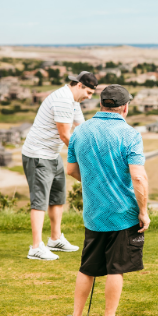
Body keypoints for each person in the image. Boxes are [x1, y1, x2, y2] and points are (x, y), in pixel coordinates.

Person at [63, 85, 150, 316]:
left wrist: (93, 183)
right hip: (123, 213)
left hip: (93, 212)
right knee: (116, 268)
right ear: (124, 107)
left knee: (87, 267)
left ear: (101, 104)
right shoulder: (130, 134)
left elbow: (70, 170)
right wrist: (143, 211)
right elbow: (138, 176)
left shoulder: (80, 132)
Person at [22, 71, 98, 260]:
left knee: (57, 197)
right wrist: (85, 160)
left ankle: (55, 239)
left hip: (52, 154)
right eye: (88, 92)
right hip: (38, 155)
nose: (88, 97)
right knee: (39, 202)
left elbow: (81, 129)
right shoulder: (63, 100)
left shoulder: (73, 102)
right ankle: (36, 247)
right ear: (79, 85)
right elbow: (66, 135)